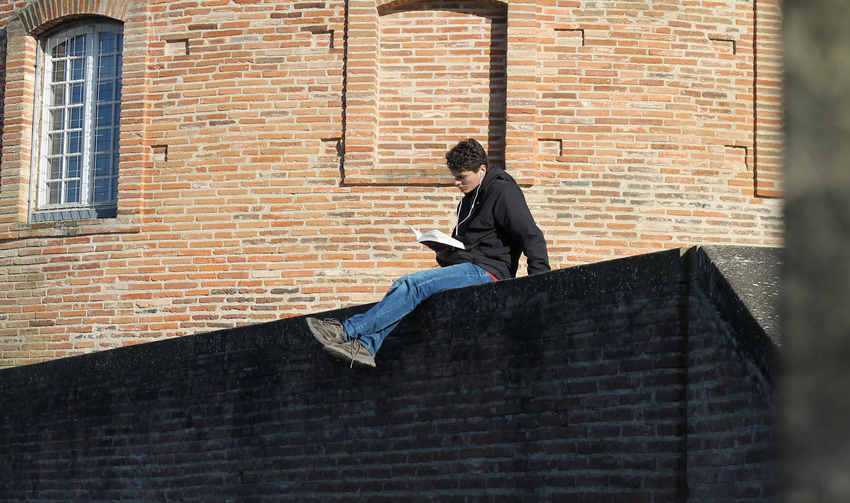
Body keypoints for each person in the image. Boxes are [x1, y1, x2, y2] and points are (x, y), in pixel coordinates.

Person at [306, 138, 550, 368]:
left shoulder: (503, 193)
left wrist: (538, 282)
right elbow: (469, 247)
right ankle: (366, 348)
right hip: (471, 266)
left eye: (461, 177)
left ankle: (346, 331)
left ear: (482, 170)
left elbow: (531, 235)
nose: (456, 183)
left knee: (413, 285)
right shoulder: (467, 201)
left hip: (489, 272)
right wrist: (444, 249)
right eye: (454, 177)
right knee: (402, 286)